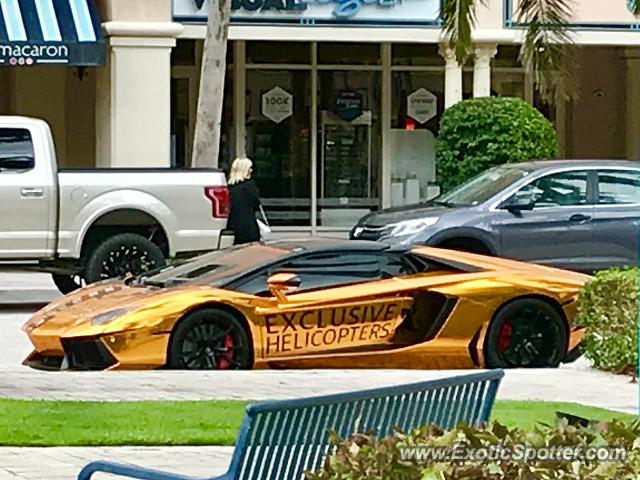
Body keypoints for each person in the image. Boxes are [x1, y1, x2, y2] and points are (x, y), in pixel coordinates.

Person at [227, 157, 261, 245]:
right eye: (250, 168)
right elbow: (256, 204)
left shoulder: (229, 188)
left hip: (232, 225)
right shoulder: (250, 186)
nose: (251, 170)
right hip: (249, 226)